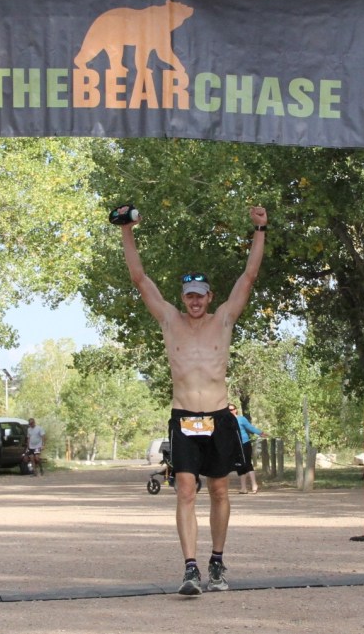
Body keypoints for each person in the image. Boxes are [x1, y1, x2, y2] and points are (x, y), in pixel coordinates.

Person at [117, 202, 268, 596]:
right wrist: (126, 229)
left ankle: (216, 561)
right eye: (189, 296)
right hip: (184, 416)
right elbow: (139, 279)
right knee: (185, 489)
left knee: (219, 490)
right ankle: (189, 568)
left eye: (200, 295)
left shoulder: (224, 319)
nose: (195, 301)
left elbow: (249, 276)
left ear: (209, 296)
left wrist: (260, 231)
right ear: (183, 298)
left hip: (218, 417)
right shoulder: (170, 320)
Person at [228, 404, 266, 495]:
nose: (230, 411)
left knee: (247, 463)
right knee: (240, 465)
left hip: (244, 443)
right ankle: (243, 488)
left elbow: (250, 427)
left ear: (236, 410)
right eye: (228, 410)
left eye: (232, 409)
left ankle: (254, 485)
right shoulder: (226, 421)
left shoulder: (241, 419)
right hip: (235, 445)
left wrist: (260, 433)